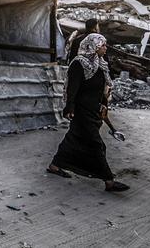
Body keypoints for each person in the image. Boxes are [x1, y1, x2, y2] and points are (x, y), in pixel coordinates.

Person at [47, 33, 130, 192]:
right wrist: (69, 107)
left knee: (74, 139)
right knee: (95, 143)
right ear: (94, 46)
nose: (105, 48)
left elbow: (102, 88)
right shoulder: (79, 64)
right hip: (81, 109)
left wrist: (103, 104)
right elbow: (73, 88)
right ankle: (109, 180)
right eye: (103, 45)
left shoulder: (100, 63)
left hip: (93, 109)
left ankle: (55, 165)